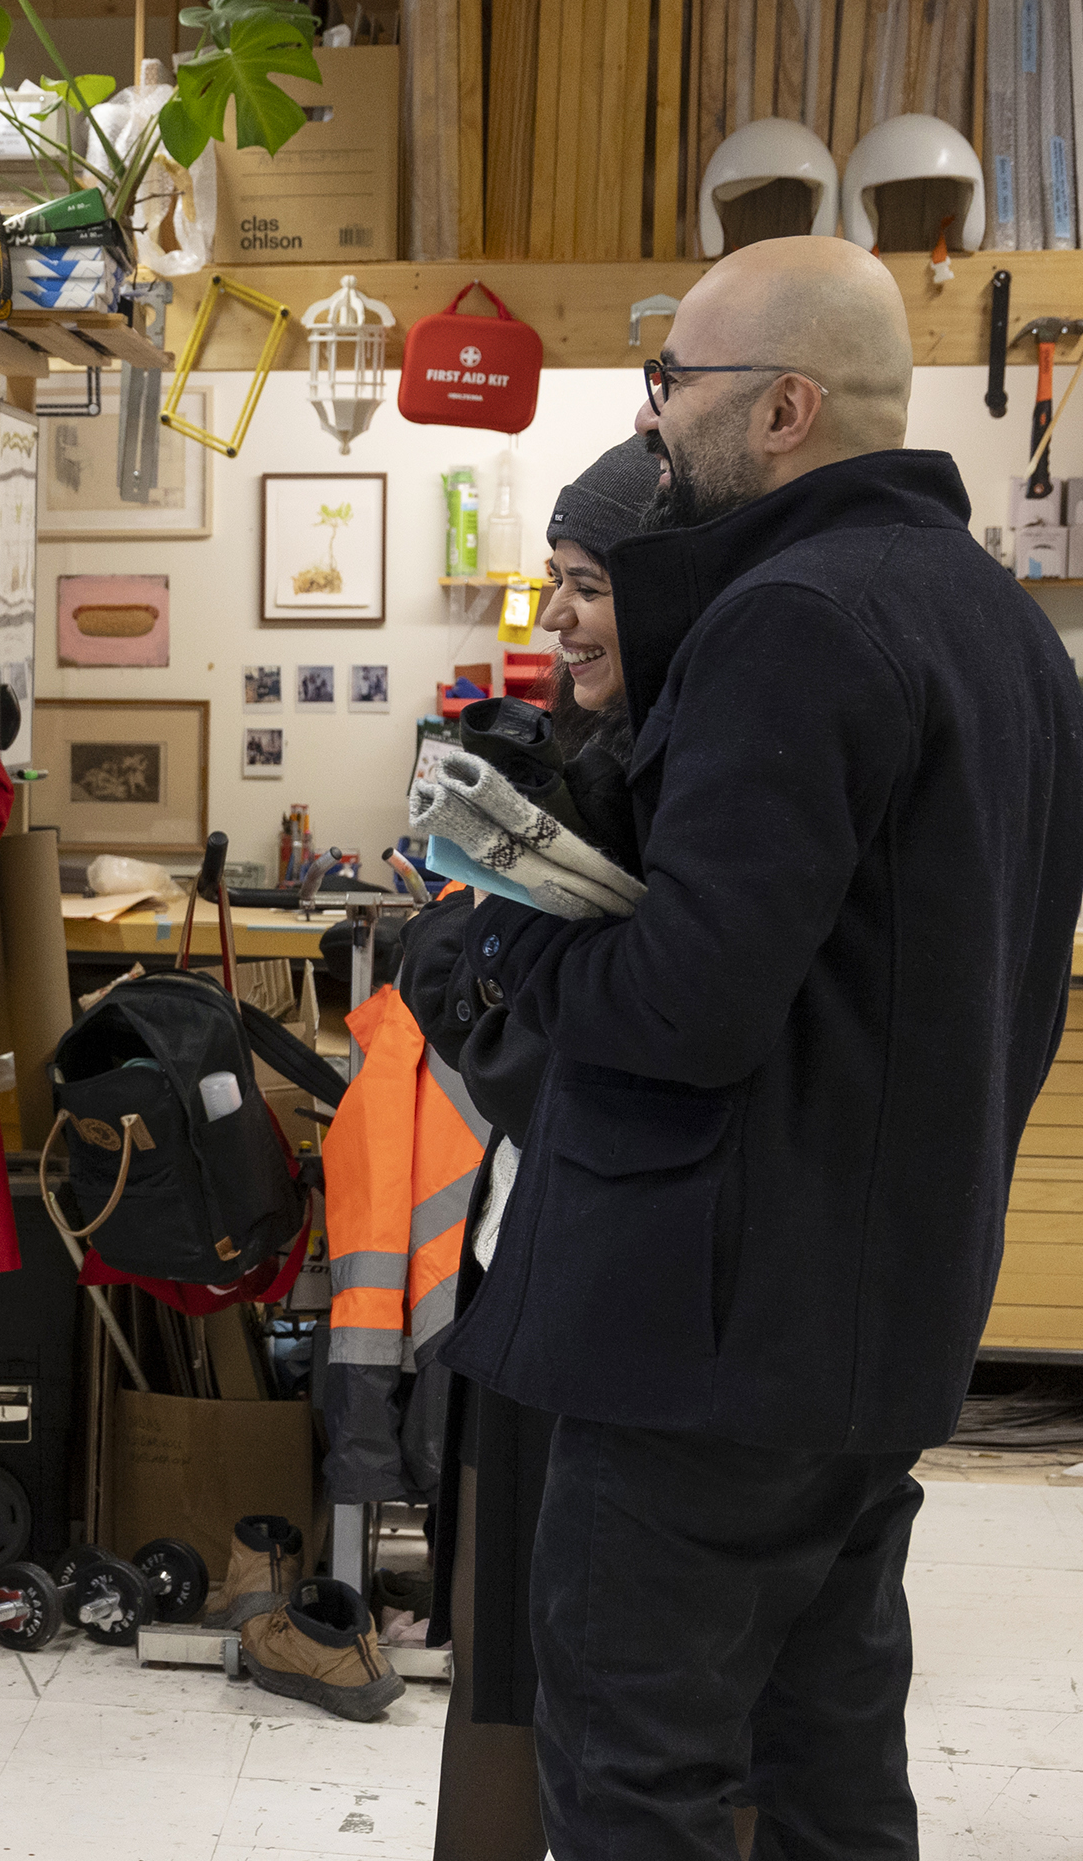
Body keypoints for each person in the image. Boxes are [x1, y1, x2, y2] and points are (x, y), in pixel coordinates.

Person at [436, 235, 1083, 1859]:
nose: (655, 424)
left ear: (787, 407)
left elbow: (684, 1004)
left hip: (701, 1349)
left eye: (677, 388)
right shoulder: (1002, 629)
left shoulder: (787, 616)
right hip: (875, 1328)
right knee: (826, 1762)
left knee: (639, 1771)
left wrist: (509, 925)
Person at [405, 435, 661, 1861]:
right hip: (531, 1288)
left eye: (584, 585)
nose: (554, 618)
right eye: (549, 580)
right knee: (511, 1668)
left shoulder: (682, 775)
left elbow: (565, 1065)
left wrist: (452, 950)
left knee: (613, 1695)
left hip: (610, 1307)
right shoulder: (605, 752)